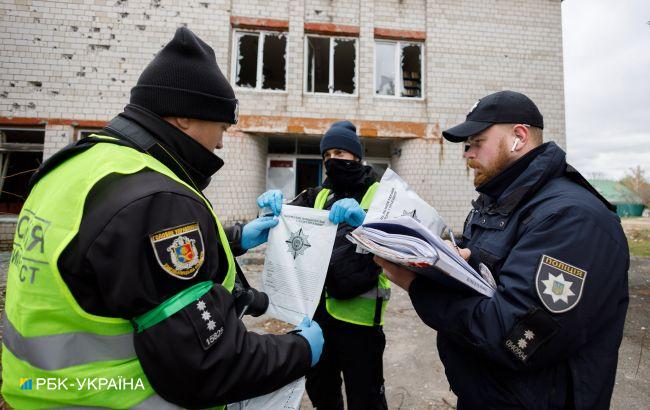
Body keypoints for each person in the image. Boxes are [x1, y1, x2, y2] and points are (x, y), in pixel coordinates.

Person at [1, 27, 323, 409]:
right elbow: (204, 365)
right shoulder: (158, 201)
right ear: (184, 116)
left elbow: (115, 254)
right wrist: (300, 350)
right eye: (221, 126)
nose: (221, 142)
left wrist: (233, 239)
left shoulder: (76, 165)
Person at [374, 90, 629, 409]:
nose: (467, 154)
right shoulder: (499, 204)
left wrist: (417, 285)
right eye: (466, 146)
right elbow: (483, 279)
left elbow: (514, 337)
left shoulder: (572, 219)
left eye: (477, 142)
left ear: (518, 137)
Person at [258, 121, 390, 409]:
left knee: (365, 396)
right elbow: (283, 221)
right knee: (321, 390)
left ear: (357, 156)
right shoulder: (317, 195)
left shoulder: (381, 193)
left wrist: (365, 220)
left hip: (360, 320)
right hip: (315, 315)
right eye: (327, 154)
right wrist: (271, 208)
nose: (333, 159)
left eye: (341, 152)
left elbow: (399, 237)